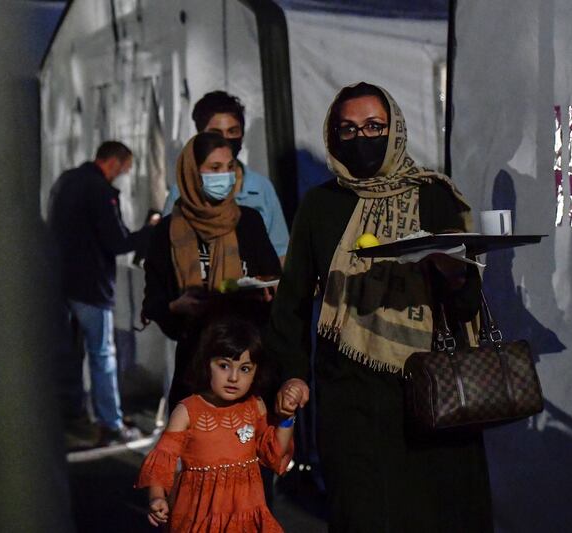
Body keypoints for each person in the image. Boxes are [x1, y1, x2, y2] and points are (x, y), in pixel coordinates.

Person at [266, 82, 494, 532]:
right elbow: (292, 299)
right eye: (348, 130)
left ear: (394, 129)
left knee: (438, 513)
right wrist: (292, 373)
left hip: (431, 388)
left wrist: (448, 269)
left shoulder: (434, 196)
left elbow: (467, 299)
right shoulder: (321, 206)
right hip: (350, 392)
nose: (361, 138)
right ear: (333, 137)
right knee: (363, 513)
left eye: (373, 126)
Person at [143, 132, 281, 412]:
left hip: (249, 369)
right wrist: (177, 306)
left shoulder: (248, 222)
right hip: (196, 369)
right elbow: (153, 302)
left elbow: (271, 276)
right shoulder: (167, 231)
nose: (225, 176)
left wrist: (268, 292)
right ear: (192, 173)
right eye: (214, 168)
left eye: (230, 167)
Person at [137, 317, 297, 532]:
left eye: (245, 369)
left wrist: (287, 417)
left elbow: (274, 454)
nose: (233, 377)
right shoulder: (188, 411)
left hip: (245, 513)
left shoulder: (254, 406)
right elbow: (162, 461)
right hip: (199, 515)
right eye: (224, 366)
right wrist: (157, 497)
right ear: (206, 364)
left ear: (256, 372)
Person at [48, 140, 159, 445]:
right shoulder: (100, 191)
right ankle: (110, 423)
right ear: (112, 162)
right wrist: (150, 232)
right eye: (124, 169)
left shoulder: (65, 181)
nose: (123, 175)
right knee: (102, 355)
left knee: (69, 354)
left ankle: (72, 418)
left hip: (60, 283)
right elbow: (117, 242)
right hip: (91, 287)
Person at [162, 90, 289, 262]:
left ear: (242, 134)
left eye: (233, 131)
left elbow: (280, 251)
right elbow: (166, 252)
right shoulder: (183, 191)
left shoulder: (260, 188)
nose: (225, 139)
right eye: (216, 133)